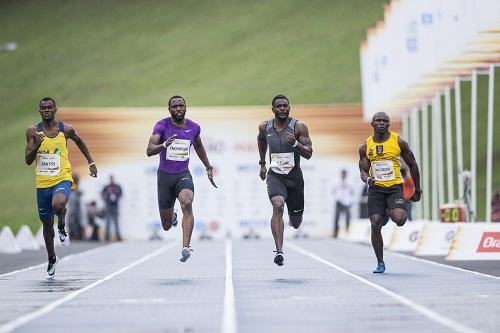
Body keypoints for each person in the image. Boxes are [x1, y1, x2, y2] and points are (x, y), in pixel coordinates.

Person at [25, 97, 97, 279]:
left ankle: (63, 227)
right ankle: (52, 258)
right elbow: (27, 160)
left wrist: (91, 162)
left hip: (61, 178)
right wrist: (37, 147)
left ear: (55, 109)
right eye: (43, 108)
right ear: (39, 111)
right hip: (42, 183)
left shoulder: (66, 129)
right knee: (47, 225)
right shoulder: (33, 131)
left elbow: (80, 141)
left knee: (59, 205)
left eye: (50, 107)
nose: (47, 110)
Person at [147, 95, 217, 262]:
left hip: (182, 174)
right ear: (169, 109)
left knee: (187, 201)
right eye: (175, 106)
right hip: (164, 176)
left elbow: (199, 146)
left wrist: (208, 166)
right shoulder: (162, 125)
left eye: (181, 105)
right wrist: (164, 145)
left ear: (186, 107)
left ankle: (186, 247)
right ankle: (173, 216)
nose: (178, 109)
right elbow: (149, 150)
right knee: (166, 225)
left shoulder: (194, 128)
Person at [358, 111, 421, 273]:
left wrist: (417, 189)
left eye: (385, 121)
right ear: (372, 124)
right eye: (378, 120)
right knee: (375, 224)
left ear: (389, 124)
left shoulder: (398, 141)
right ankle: (380, 262)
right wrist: (367, 179)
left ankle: (389, 211)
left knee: (400, 220)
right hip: (376, 188)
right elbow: (363, 171)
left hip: (394, 188)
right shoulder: (366, 146)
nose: (382, 123)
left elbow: (413, 164)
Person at [257, 94, 313, 266]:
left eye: (285, 106)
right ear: (272, 109)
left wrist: (296, 144)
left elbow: (309, 154)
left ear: (289, 108)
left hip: (295, 178)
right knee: (278, 205)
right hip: (276, 176)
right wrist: (262, 164)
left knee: (296, 223)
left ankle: (293, 216)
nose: (282, 109)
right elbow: (261, 141)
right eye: (279, 106)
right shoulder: (264, 126)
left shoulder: (299, 127)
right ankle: (279, 251)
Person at [332, 169, 354, 238]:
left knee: (348, 217)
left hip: (347, 201)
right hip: (339, 200)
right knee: (336, 217)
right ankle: (335, 232)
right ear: (341, 174)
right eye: (342, 173)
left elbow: (352, 191)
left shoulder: (350, 181)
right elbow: (333, 190)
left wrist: (350, 200)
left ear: (346, 174)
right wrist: (336, 197)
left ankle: (347, 231)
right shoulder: (336, 180)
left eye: (345, 173)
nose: (343, 175)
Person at [101, 175, 123, 241]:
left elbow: (120, 193)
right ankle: (106, 237)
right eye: (110, 179)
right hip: (108, 206)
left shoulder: (117, 186)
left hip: (115, 206)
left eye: (112, 179)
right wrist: (106, 198)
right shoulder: (106, 187)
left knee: (116, 222)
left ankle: (118, 236)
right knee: (107, 222)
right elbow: (102, 194)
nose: (111, 180)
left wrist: (116, 197)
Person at [67, 174, 84, 240]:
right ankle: (73, 234)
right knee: (72, 219)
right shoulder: (72, 187)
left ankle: (77, 235)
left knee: (77, 219)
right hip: (73, 206)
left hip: (76, 206)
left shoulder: (76, 187)